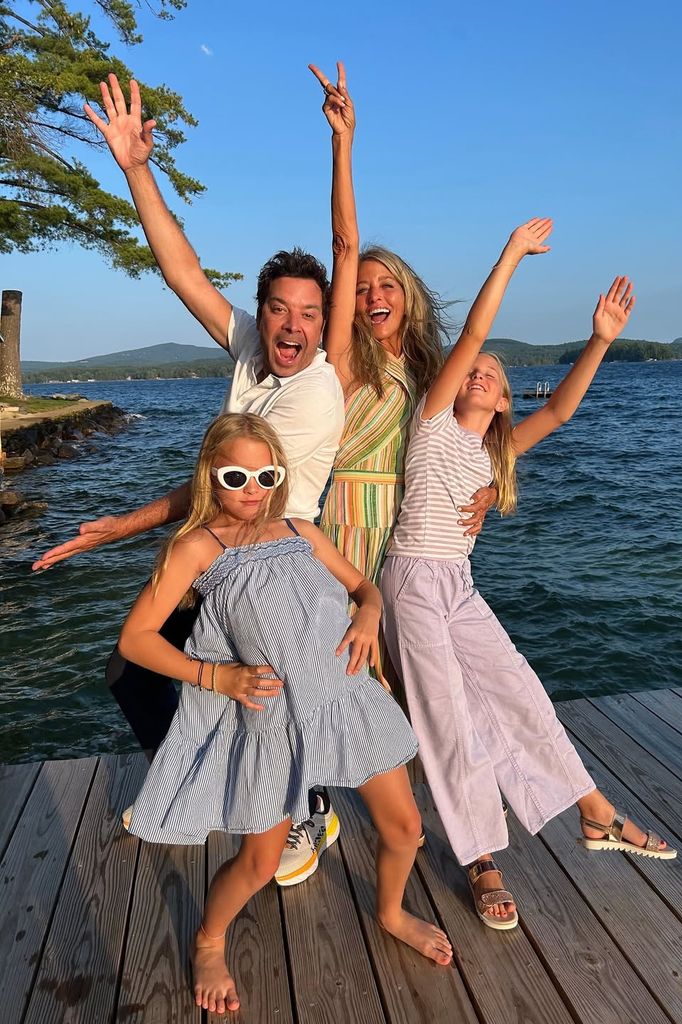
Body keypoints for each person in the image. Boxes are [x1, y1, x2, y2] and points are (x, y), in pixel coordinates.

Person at [31, 74, 345, 886]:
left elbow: (229, 490)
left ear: (321, 322)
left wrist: (121, 526)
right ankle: (212, 782)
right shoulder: (250, 350)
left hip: (274, 560)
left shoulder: (314, 392)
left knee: (198, 678)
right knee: (155, 675)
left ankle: (304, 810)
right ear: (263, 310)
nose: (293, 325)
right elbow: (182, 274)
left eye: (309, 314)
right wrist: (137, 169)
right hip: (227, 548)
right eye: (279, 309)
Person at [380, 218, 676, 932]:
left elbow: (565, 410)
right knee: (448, 721)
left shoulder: (494, 454)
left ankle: (592, 809)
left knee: (519, 691)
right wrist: (510, 254)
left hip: (458, 587)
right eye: (476, 370)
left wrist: (601, 338)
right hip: (411, 579)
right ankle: (482, 860)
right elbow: (476, 333)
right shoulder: (433, 422)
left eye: (495, 378)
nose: (482, 373)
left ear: (506, 401)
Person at [119, 412, 452, 1014]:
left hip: (347, 700)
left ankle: (391, 910)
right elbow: (136, 638)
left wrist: (370, 615)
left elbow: (365, 589)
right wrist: (215, 675)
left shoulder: (302, 529)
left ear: (279, 475)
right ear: (210, 476)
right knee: (259, 862)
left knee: (406, 828)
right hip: (273, 723)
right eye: (236, 475)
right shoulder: (197, 547)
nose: (252, 488)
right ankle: (210, 937)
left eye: (265, 474)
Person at [308, 62, 494, 592]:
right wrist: (343, 143)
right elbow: (345, 245)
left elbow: (483, 438)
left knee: (405, 662)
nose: (373, 295)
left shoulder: (432, 372)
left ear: (408, 296)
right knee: (350, 655)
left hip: (418, 528)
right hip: (348, 525)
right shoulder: (342, 354)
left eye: (387, 285)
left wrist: (492, 487)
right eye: (363, 289)